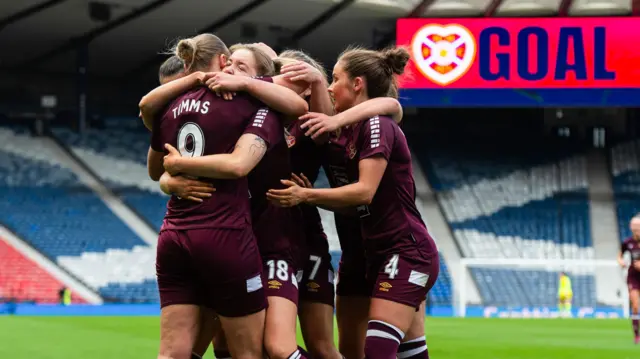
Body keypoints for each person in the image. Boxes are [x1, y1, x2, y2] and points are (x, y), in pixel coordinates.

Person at [268, 46, 439, 359]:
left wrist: (307, 195)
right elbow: (353, 206)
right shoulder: (341, 133)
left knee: (377, 350)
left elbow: (364, 193)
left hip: (401, 249)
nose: (331, 87)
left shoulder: (377, 124)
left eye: (336, 79)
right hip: (361, 254)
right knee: (358, 350)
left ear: (357, 84)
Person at [144, 33, 294, 359]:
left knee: (173, 352)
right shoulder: (251, 104)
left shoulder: (170, 107)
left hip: (175, 235)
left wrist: (174, 173)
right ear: (223, 62)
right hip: (226, 234)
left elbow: (156, 168)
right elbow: (240, 164)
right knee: (246, 352)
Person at [618, 214, 640, 344]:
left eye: (638, 227)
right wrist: (620, 261)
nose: (636, 230)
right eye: (634, 228)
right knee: (636, 306)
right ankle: (637, 335)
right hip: (633, 277)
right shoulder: (628, 243)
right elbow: (619, 255)